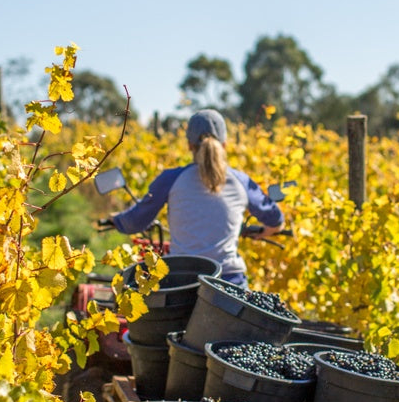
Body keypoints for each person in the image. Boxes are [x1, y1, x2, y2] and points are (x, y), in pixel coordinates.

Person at [109, 109, 284, 286]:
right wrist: (264, 232)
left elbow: (135, 222)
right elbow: (276, 219)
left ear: (189, 145)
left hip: (182, 280)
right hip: (230, 281)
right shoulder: (241, 182)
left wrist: (117, 220)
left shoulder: (171, 179)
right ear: (224, 144)